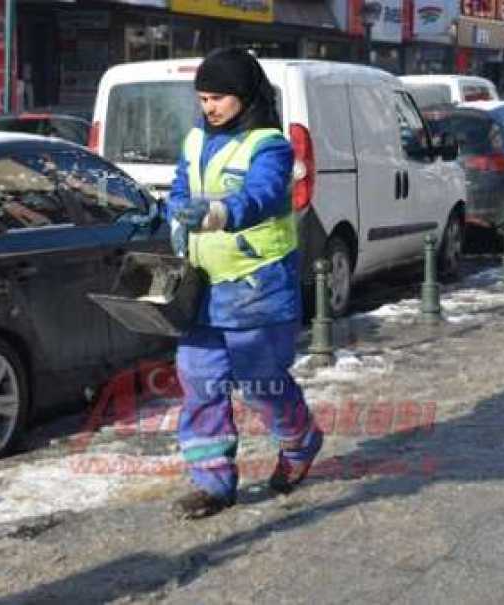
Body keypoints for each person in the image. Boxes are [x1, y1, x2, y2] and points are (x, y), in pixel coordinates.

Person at [166, 48, 324, 520]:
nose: (208, 107)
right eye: (202, 98)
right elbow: (181, 187)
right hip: (203, 286)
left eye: (217, 98)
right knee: (199, 381)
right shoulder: (196, 139)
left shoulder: (269, 145)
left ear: (244, 96)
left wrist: (219, 212)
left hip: (257, 287)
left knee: (261, 386)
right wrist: (173, 214)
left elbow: (264, 194)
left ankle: (300, 442)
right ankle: (211, 483)